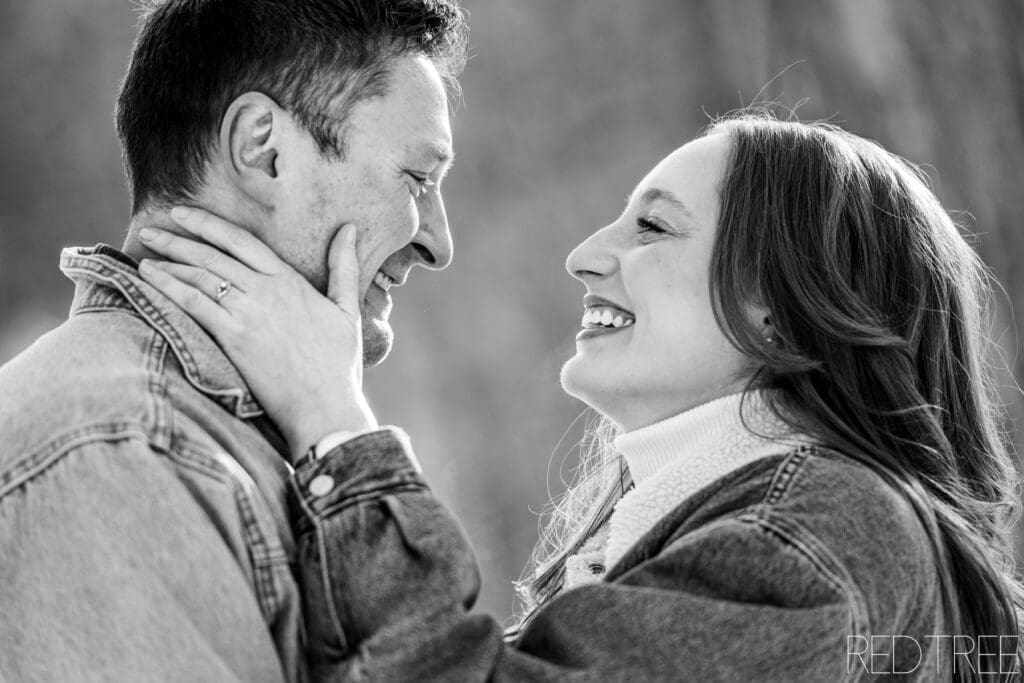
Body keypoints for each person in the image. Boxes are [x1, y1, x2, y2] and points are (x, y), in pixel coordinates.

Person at [141, 114, 1024, 682]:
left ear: (779, 307)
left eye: (653, 226)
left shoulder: (828, 530)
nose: (585, 255)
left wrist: (334, 425)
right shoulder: (738, 520)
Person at [0, 0, 466, 680]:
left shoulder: (214, 439)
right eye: (418, 179)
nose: (439, 243)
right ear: (263, 149)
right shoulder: (121, 452)